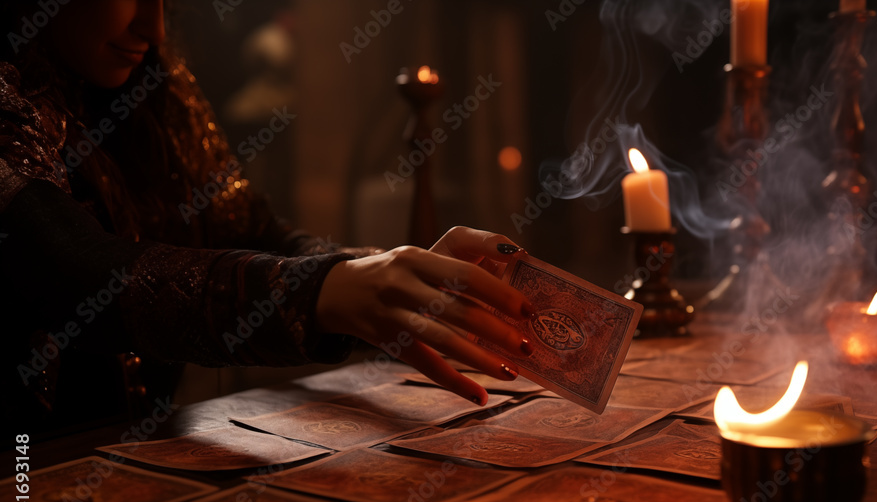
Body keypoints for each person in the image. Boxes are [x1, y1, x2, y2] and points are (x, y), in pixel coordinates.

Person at [0, 0, 534, 436]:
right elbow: (76, 273)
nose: (154, 26)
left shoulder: (159, 91)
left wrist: (389, 274)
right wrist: (324, 290)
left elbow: (254, 232)